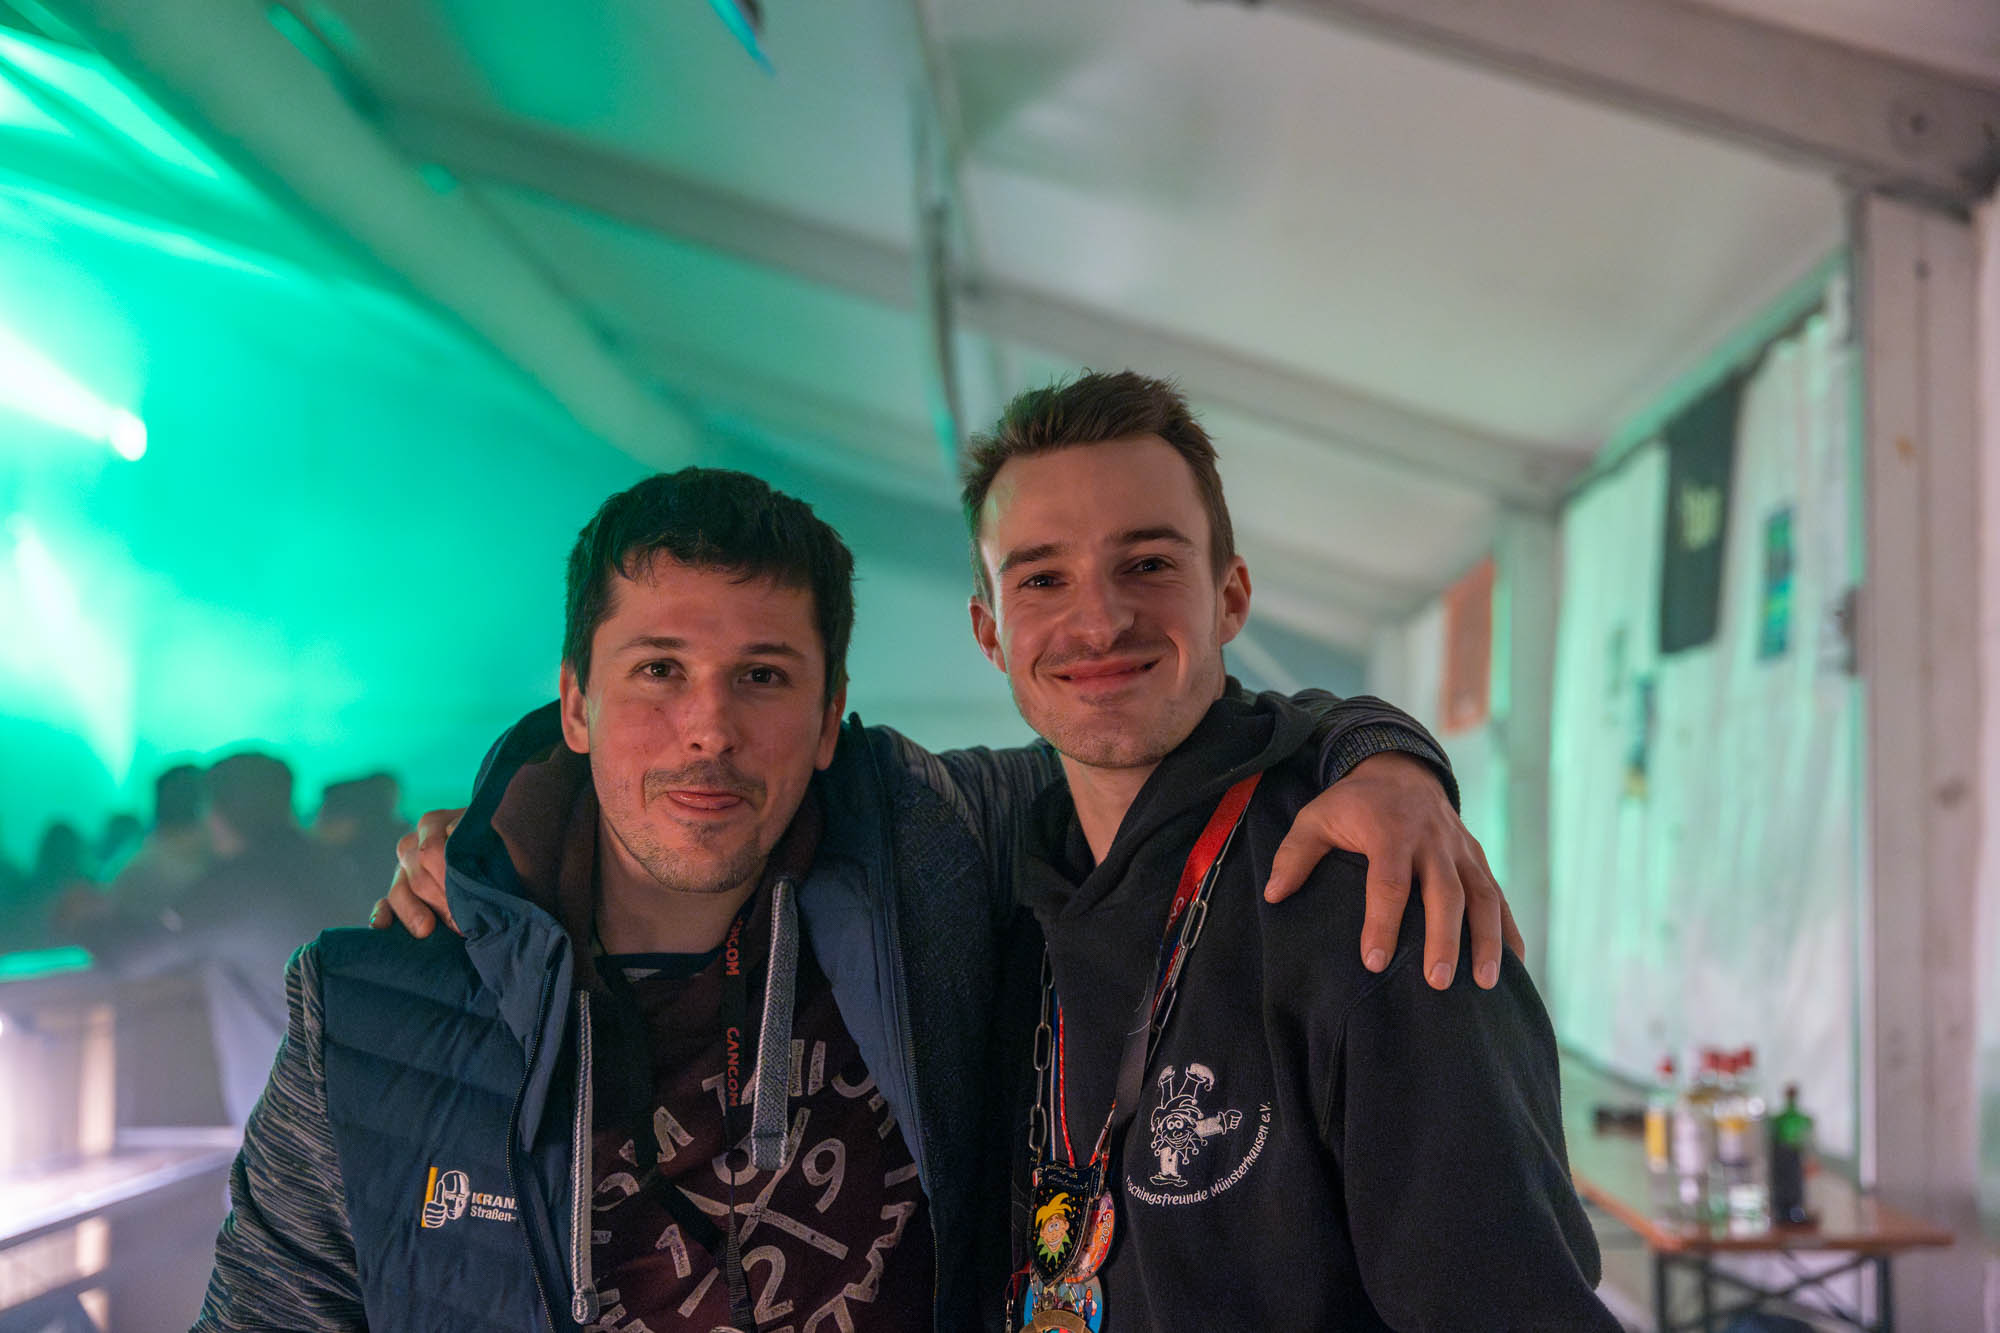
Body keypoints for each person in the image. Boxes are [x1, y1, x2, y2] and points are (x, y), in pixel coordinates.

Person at [227, 467, 1510, 1331]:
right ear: (574, 701)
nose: (707, 730)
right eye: (658, 669)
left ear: (833, 709)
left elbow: (1170, 733)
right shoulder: (378, 1007)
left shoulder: (927, 850)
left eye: (764, 676)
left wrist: (1384, 759)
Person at [960, 371, 1615, 1330]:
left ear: (1230, 597)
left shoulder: (1373, 899)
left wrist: (1385, 753)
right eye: (1042, 578)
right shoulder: (992, 896)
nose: (1097, 621)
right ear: (990, 631)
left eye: (1148, 563)